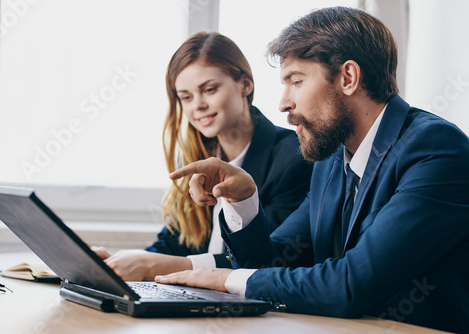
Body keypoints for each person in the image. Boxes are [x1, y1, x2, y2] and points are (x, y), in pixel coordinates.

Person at [154, 7, 469, 333]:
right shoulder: (331, 161)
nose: (283, 103)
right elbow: (273, 264)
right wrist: (244, 200)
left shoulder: (435, 150)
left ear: (348, 78)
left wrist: (227, 278)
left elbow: (351, 284)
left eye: (296, 81)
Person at [93, 32, 312, 281]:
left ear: (245, 84)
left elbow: (264, 260)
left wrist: (156, 265)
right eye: (186, 97)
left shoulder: (295, 157)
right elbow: (171, 247)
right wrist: (118, 264)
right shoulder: (197, 159)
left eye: (208, 89)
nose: (197, 105)